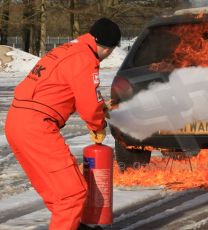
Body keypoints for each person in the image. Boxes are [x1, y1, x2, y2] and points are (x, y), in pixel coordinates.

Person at [4, 18, 121, 230]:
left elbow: (72, 87)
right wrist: (98, 126)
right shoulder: (86, 59)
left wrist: (98, 106)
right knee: (72, 194)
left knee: (57, 193)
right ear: (108, 49)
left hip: (17, 121)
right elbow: (88, 104)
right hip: (36, 126)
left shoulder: (68, 49)